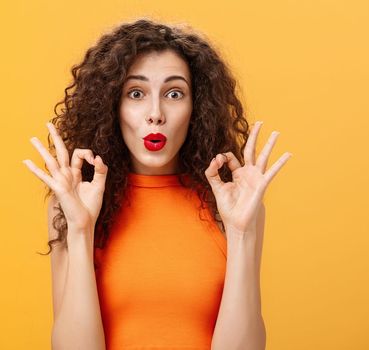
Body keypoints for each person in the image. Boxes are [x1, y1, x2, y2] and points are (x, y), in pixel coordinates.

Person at [21, 18, 291, 349]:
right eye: (136, 93)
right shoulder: (73, 202)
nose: (155, 114)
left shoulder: (235, 206)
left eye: (174, 93)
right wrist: (80, 231)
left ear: (197, 108)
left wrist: (241, 232)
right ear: (112, 106)